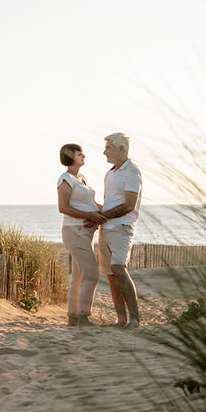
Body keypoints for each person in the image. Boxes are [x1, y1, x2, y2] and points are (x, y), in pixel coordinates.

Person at [56, 143, 106, 326]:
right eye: (80, 154)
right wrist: (90, 215)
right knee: (91, 273)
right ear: (71, 156)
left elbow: (92, 204)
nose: (84, 156)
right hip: (74, 230)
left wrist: (107, 213)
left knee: (78, 274)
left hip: (86, 232)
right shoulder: (65, 179)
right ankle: (84, 317)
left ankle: (73, 318)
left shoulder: (82, 178)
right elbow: (63, 207)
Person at [97, 132, 142, 327]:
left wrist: (102, 217)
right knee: (110, 274)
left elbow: (129, 205)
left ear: (121, 149)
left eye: (108, 147)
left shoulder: (132, 171)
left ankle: (135, 319)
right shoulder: (110, 173)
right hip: (105, 227)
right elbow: (108, 202)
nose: (104, 151)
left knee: (119, 269)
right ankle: (121, 319)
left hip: (122, 227)